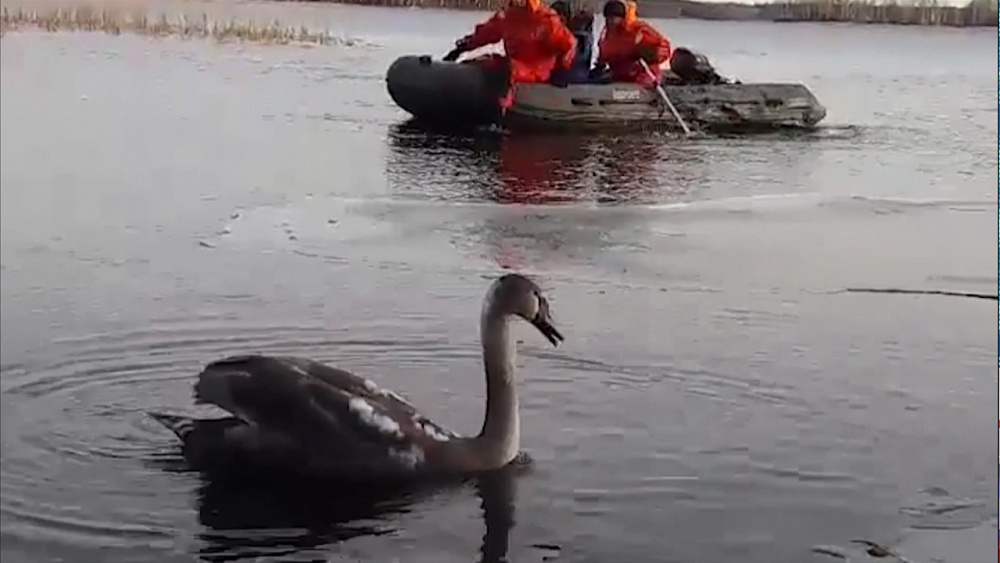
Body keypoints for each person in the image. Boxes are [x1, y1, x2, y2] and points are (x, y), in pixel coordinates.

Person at [449, 0, 577, 109]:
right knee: (485, 63)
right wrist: (463, 47)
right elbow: (486, 33)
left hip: (536, 69)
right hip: (513, 62)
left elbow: (568, 44)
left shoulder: (545, 20)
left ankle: (502, 107)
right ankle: (457, 93)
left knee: (508, 69)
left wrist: (562, 68)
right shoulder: (507, 16)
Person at [592, 0, 672, 87]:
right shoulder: (607, 36)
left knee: (628, 89)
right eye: (609, 17)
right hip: (620, 77)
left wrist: (653, 54)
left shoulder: (638, 31)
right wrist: (600, 64)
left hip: (643, 77)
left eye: (615, 17)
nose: (612, 21)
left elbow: (663, 47)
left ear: (622, 17)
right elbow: (605, 54)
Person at [548, 1, 595, 85]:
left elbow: (576, 60)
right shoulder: (579, 36)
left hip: (570, 77)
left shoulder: (576, 37)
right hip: (575, 76)